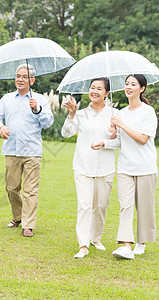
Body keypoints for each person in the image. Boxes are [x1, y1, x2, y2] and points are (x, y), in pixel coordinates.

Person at [93, 74, 158, 260]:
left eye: (133, 84)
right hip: (124, 168)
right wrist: (108, 139)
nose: (128, 87)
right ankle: (126, 245)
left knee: (144, 207)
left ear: (142, 88)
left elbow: (143, 139)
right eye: (127, 84)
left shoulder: (148, 112)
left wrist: (122, 124)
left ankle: (141, 243)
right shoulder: (120, 112)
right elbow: (120, 142)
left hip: (145, 168)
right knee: (125, 206)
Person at [0, 64, 54, 237]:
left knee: (31, 189)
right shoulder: (7, 99)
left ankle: (28, 224)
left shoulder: (39, 100)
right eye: (18, 76)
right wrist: (0, 127)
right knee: (11, 187)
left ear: (32, 80)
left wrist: (37, 110)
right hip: (11, 150)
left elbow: (48, 122)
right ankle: (18, 216)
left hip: (32, 151)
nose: (20, 79)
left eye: (24, 76)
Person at [61, 77, 121, 258]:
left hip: (105, 167)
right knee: (85, 206)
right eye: (92, 88)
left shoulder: (115, 114)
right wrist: (71, 114)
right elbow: (66, 133)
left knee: (101, 206)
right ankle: (83, 245)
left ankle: (96, 238)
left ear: (107, 93)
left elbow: (118, 142)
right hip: (83, 166)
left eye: (99, 89)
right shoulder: (81, 114)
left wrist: (106, 141)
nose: (94, 91)